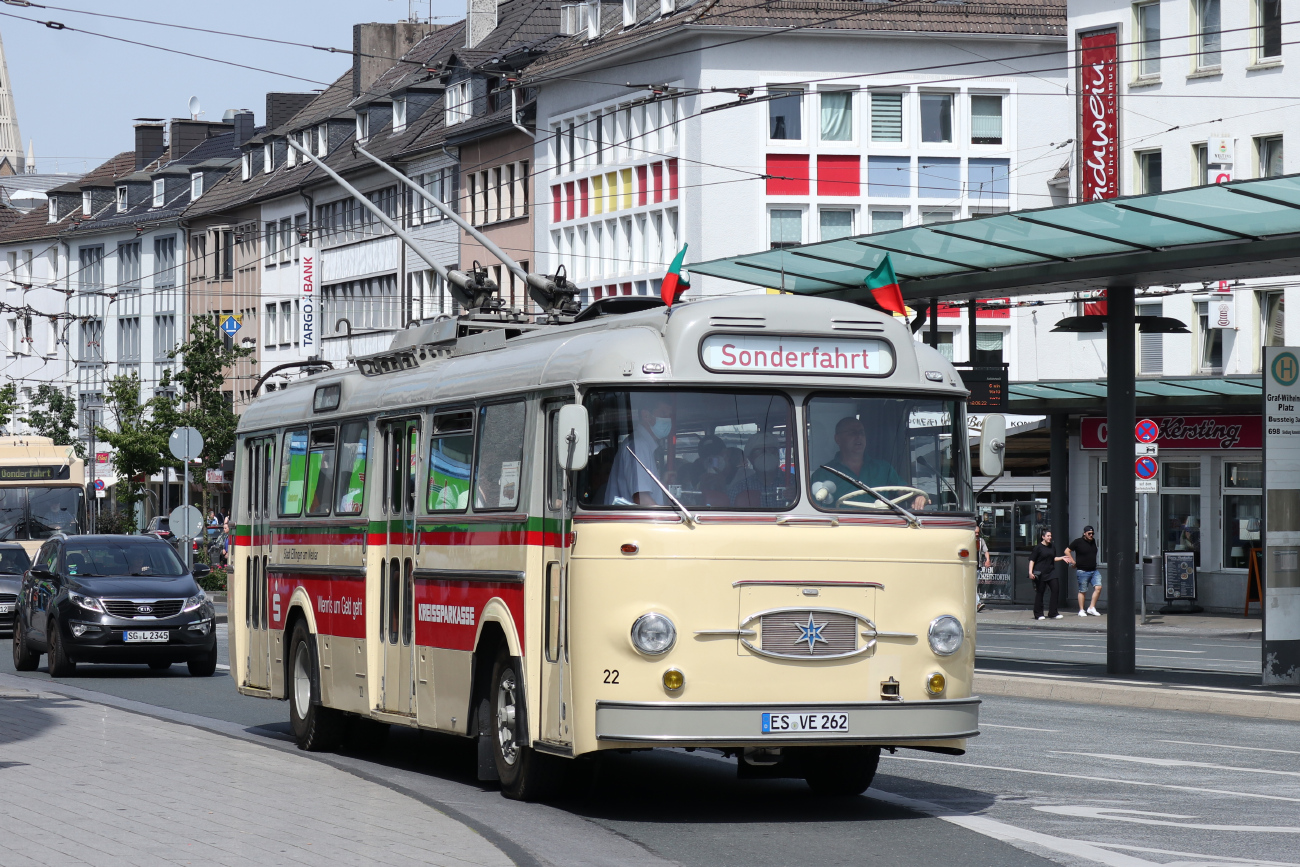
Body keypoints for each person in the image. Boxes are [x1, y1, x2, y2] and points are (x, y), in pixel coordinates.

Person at [606, 398, 674, 506]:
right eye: (663, 414)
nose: (667, 420)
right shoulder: (638, 445)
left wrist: (663, 483)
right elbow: (641, 498)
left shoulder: (645, 445)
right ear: (646, 415)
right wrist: (665, 520)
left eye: (669, 415)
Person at [727, 433, 796, 508]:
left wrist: (796, 497)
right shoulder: (739, 489)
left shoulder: (795, 484)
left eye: (771, 450)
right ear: (750, 458)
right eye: (759, 451)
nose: (766, 454)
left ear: (777, 454)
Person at [1030, 528, 1068, 620]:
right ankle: (1038, 614)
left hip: (1051, 572)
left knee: (1055, 589)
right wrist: (1030, 572)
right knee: (1040, 592)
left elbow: (1053, 558)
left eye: (1050, 536)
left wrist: (1062, 558)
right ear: (1043, 537)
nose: (1050, 537)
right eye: (1048, 536)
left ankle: (1053, 612)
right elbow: (1032, 560)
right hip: (1040, 573)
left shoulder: (1052, 546)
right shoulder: (1038, 548)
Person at [1065, 525, 1101, 617]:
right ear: (1084, 533)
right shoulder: (1078, 542)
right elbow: (1067, 551)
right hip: (1082, 570)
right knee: (1083, 591)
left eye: (1092, 533)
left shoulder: (1092, 541)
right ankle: (1081, 610)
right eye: (1089, 533)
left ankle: (1091, 608)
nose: (1091, 535)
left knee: (1098, 587)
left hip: (1093, 570)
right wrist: (1073, 561)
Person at [975, 522, 991, 613]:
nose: (977, 534)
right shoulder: (968, 540)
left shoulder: (981, 541)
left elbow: (986, 551)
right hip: (969, 567)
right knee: (973, 586)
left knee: (974, 586)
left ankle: (977, 604)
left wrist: (987, 560)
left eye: (978, 533)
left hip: (977, 567)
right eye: (975, 533)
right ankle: (977, 603)